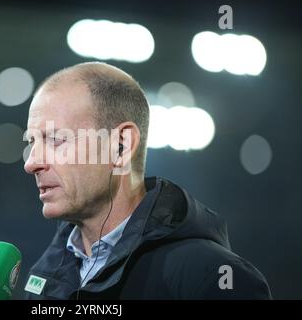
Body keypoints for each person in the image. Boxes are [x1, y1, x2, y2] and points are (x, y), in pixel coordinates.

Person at [22, 62, 271, 299]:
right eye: (32, 142)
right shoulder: (44, 276)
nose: (31, 163)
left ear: (121, 146)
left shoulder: (212, 279)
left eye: (55, 140)